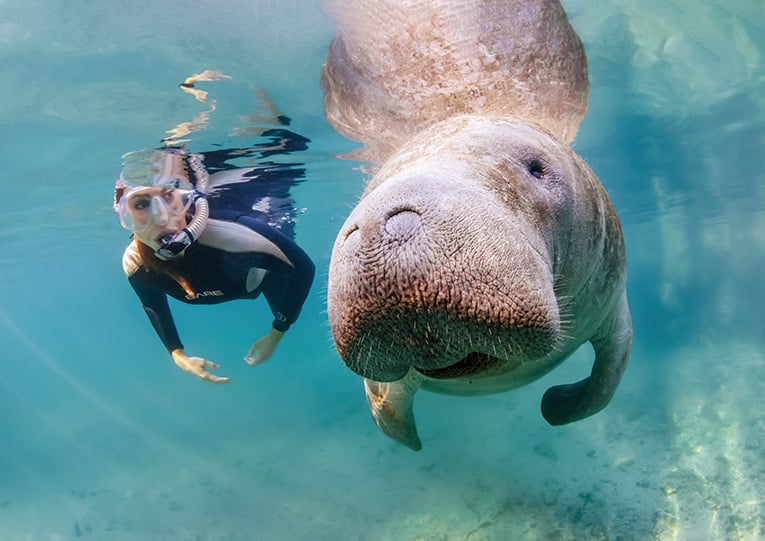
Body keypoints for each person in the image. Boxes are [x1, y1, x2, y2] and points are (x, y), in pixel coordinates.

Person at [114, 131, 315, 384]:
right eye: (141, 205)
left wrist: (277, 332)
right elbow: (152, 303)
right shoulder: (135, 263)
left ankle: (277, 123)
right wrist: (178, 355)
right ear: (124, 217)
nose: (162, 218)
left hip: (264, 274)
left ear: (186, 197)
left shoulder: (236, 236)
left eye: (168, 197)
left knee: (286, 147)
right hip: (242, 280)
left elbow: (303, 268)